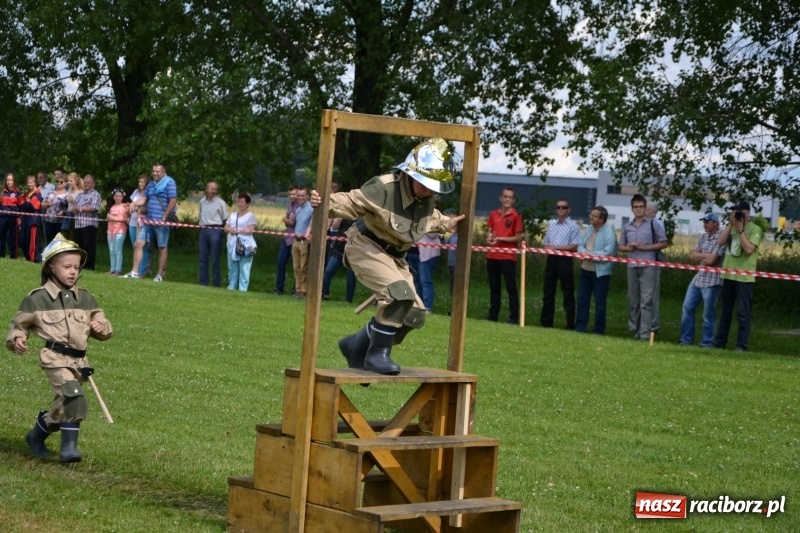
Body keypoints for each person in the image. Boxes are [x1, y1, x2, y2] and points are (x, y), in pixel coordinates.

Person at [309, 137, 465, 375]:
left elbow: (428, 219)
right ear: (411, 175)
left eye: (434, 185)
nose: (430, 190)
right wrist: (323, 201)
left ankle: (355, 346)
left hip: (396, 258)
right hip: (366, 246)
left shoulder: (426, 198)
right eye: (426, 183)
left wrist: (447, 223)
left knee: (414, 314)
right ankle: (377, 355)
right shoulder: (383, 187)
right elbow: (351, 200)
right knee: (398, 296)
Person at [5, 233, 113, 462]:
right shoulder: (37, 298)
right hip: (54, 358)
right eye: (67, 267)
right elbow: (18, 325)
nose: (73, 271)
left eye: (76, 267)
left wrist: (100, 326)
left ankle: (35, 436)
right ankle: (68, 450)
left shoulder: (85, 298)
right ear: (51, 267)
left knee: (63, 408)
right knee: (74, 397)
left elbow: (104, 327)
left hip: (79, 362)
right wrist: (18, 340)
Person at [713, 201, 763, 351]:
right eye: (734, 212)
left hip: (744, 277)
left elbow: (748, 250)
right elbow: (719, 242)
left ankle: (741, 345)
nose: (737, 214)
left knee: (743, 314)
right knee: (725, 312)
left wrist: (741, 229)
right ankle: (720, 343)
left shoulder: (755, 229)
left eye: (740, 212)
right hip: (728, 274)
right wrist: (730, 225)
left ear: (747, 213)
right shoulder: (731, 227)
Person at [618, 194, 668, 340]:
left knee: (646, 300)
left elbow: (664, 243)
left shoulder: (653, 224)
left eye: (641, 206)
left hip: (648, 265)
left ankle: (645, 333)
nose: (639, 209)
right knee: (633, 300)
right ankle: (636, 329)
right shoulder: (627, 226)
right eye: (636, 207)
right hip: (632, 265)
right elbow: (621, 246)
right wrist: (628, 248)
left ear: (645, 208)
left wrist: (647, 247)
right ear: (632, 209)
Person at [123, 163, 178, 282]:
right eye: (153, 171)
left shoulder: (170, 182)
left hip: (161, 223)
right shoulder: (151, 184)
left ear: (163, 172)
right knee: (138, 244)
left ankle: (159, 276)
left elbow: (173, 201)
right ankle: (134, 272)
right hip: (149, 221)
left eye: (157, 171)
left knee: (162, 248)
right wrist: (134, 203)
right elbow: (144, 199)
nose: (154, 173)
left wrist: (165, 217)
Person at [679, 213, 725, 347]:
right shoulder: (703, 236)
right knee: (687, 307)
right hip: (699, 278)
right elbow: (693, 255)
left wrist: (704, 257)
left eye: (708, 222)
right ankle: (685, 340)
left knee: (708, 313)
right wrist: (706, 256)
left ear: (716, 223)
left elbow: (712, 261)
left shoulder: (722, 238)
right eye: (704, 221)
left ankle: (706, 343)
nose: (704, 224)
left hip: (713, 280)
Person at [575, 206, 618, 334]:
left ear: (601, 219)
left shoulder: (609, 233)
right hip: (585, 269)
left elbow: (608, 252)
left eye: (594, 216)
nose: (591, 217)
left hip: (600, 273)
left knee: (599, 303)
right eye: (591, 214)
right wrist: (583, 252)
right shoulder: (589, 228)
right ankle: (580, 327)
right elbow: (580, 245)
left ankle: (598, 330)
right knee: (582, 300)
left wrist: (589, 255)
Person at [540, 198, 581, 329]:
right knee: (548, 290)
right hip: (552, 259)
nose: (561, 209)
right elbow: (546, 242)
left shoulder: (573, 226)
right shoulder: (552, 225)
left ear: (569, 209)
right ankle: (546, 321)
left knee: (567, 292)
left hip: (565, 260)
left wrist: (557, 247)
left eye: (564, 207)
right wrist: (548, 248)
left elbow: (575, 246)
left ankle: (570, 323)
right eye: (559, 207)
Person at [485, 187, 524, 324]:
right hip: (492, 256)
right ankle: (493, 315)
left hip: (508, 257)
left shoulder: (516, 216)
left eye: (510, 197)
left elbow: (518, 237)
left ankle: (514, 316)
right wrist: (490, 237)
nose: (507, 199)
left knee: (511, 288)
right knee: (494, 288)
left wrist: (501, 239)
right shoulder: (493, 214)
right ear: (500, 198)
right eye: (505, 196)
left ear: (513, 200)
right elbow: (489, 232)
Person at [224, 193, 258, 291]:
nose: (239, 204)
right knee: (232, 267)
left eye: (242, 202)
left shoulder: (251, 216)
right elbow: (226, 227)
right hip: (232, 244)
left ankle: (243, 289)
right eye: (238, 202)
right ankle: (231, 287)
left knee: (244, 268)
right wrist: (230, 230)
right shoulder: (233, 215)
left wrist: (239, 231)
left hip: (245, 246)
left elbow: (251, 229)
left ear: (247, 204)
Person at [198, 181, 228, 287]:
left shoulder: (221, 203)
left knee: (215, 259)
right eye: (212, 189)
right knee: (202, 258)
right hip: (203, 229)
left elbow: (225, 219)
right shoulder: (202, 202)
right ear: (207, 189)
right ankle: (203, 283)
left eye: (215, 189)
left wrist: (220, 230)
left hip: (215, 230)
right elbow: (200, 215)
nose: (214, 191)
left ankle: (216, 284)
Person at [645, 201, 669, 332]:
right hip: (640, 262)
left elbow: (662, 243)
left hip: (653, 262)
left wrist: (645, 246)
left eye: (646, 209)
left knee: (652, 295)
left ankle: (653, 325)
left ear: (653, 213)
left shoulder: (658, 224)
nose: (643, 211)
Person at [322, 218, 357, 302]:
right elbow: (334, 227)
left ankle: (348, 300)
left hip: (352, 250)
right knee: (328, 271)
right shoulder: (343, 213)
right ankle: (322, 294)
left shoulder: (358, 216)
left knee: (350, 276)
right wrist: (340, 217)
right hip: (339, 248)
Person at [72, 174, 102, 270]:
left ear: (93, 184)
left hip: (89, 224)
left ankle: (89, 266)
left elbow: (94, 208)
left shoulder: (95, 194)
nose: (86, 184)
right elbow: (75, 206)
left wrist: (80, 209)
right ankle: (80, 265)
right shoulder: (80, 194)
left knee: (88, 247)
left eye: (88, 183)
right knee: (79, 247)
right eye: (85, 182)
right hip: (78, 224)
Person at [273, 185, 297, 295]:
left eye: (294, 194)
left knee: (296, 266)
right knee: (280, 263)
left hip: (295, 239)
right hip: (286, 238)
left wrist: (285, 219)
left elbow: (292, 222)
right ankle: (279, 288)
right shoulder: (290, 206)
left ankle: (296, 290)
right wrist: (287, 220)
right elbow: (288, 223)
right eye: (290, 194)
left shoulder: (300, 207)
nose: (292, 196)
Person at [291, 186, 314, 298]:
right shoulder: (298, 209)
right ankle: (298, 289)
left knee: (304, 267)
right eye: (299, 195)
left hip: (304, 241)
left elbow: (312, 224)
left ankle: (304, 291)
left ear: (307, 196)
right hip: (295, 240)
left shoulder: (311, 209)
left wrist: (308, 235)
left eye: (302, 195)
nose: (300, 197)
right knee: (296, 267)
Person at [128, 175, 151, 278]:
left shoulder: (148, 194)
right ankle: (135, 269)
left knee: (142, 246)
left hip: (142, 223)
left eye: (143, 182)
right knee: (135, 246)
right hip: (133, 221)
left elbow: (146, 207)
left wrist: (136, 206)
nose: (140, 184)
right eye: (139, 182)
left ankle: (142, 270)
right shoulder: (136, 192)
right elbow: (131, 204)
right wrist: (130, 206)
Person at [18, 175, 44, 262]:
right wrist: (26, 203)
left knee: (33, 241)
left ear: (35, 183)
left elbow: (32, 207)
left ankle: (35, 259)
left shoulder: (38, 194)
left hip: (33, 220)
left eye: (31, 182)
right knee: (22, 240)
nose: (29, 184)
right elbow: (21, 206)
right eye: (28, 183)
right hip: (25, 219)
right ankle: (28, 258)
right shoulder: (26, 193)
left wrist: (26, 203)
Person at [106, 188, 129, 275]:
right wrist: (108, 218)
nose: (118, 198)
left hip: (120, 231)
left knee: (118, 250)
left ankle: (118, 269)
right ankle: (112, 269)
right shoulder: (111, 207)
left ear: (123, 197)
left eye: (120, 196)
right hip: (110, 231)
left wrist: (114, 218)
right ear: (113, 197)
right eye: (116, 196)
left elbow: (126, 219)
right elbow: (108, 219)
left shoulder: (124, 207)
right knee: (111, 250)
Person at [1, 172, 24, 258]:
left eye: (11, 180)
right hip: (2, 218)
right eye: (7, 180)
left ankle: (13, 256)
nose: (9, 182)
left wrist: (20, 218)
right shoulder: (2, 192)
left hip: (13, 218)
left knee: (13, 237)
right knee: (1, 236)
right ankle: (1, 255)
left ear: (14, 181)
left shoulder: (17, 193)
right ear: (5, 181)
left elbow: (20, 207)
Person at [41, 172, 68, 244]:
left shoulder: (67, 194)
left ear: (65, 183)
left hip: (60, 222)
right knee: (49, 241)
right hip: (48, 220)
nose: (59, 183)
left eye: (61, 182)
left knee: (59, 242)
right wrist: (47, 204)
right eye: (57, 181)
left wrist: (63, 211)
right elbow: (42, 204)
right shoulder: (51, 192)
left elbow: (70, 208)